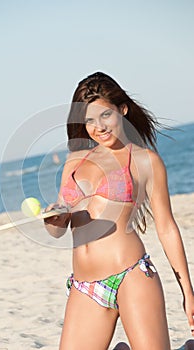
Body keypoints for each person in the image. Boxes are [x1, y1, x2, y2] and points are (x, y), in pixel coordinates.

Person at [44, 72, 194, 349]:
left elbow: (166, 227)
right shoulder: (75, 161)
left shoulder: (146, 161)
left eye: (105, 116)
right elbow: (56, 230)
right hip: (85, 286)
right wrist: (53, 217)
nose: (98, 127)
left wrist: (187, 290)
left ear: (122, 110)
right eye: (89, 120)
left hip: (131, 275)